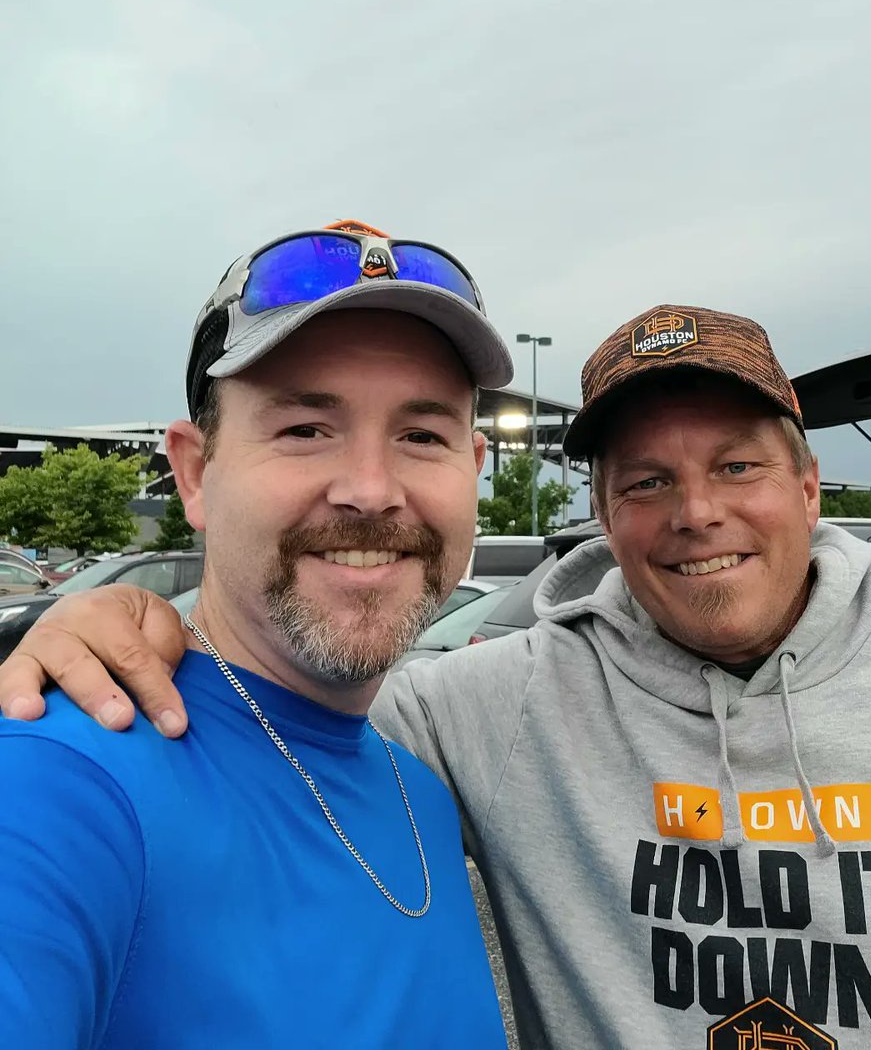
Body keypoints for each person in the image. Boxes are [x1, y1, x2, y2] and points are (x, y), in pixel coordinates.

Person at [5, 303, 871, 1048]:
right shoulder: (481, 705)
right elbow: (283, 695)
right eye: (644, 483)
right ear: (604, 518)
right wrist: (117, 613)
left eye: (736, 465)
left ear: (807, 490)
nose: (696, 514)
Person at [0, 221, 511, 1047]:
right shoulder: (59, 781)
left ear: (473, 472)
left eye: (422, 435)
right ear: (196, 473)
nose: (372, 490)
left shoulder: (418, 790)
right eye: (306, 428)